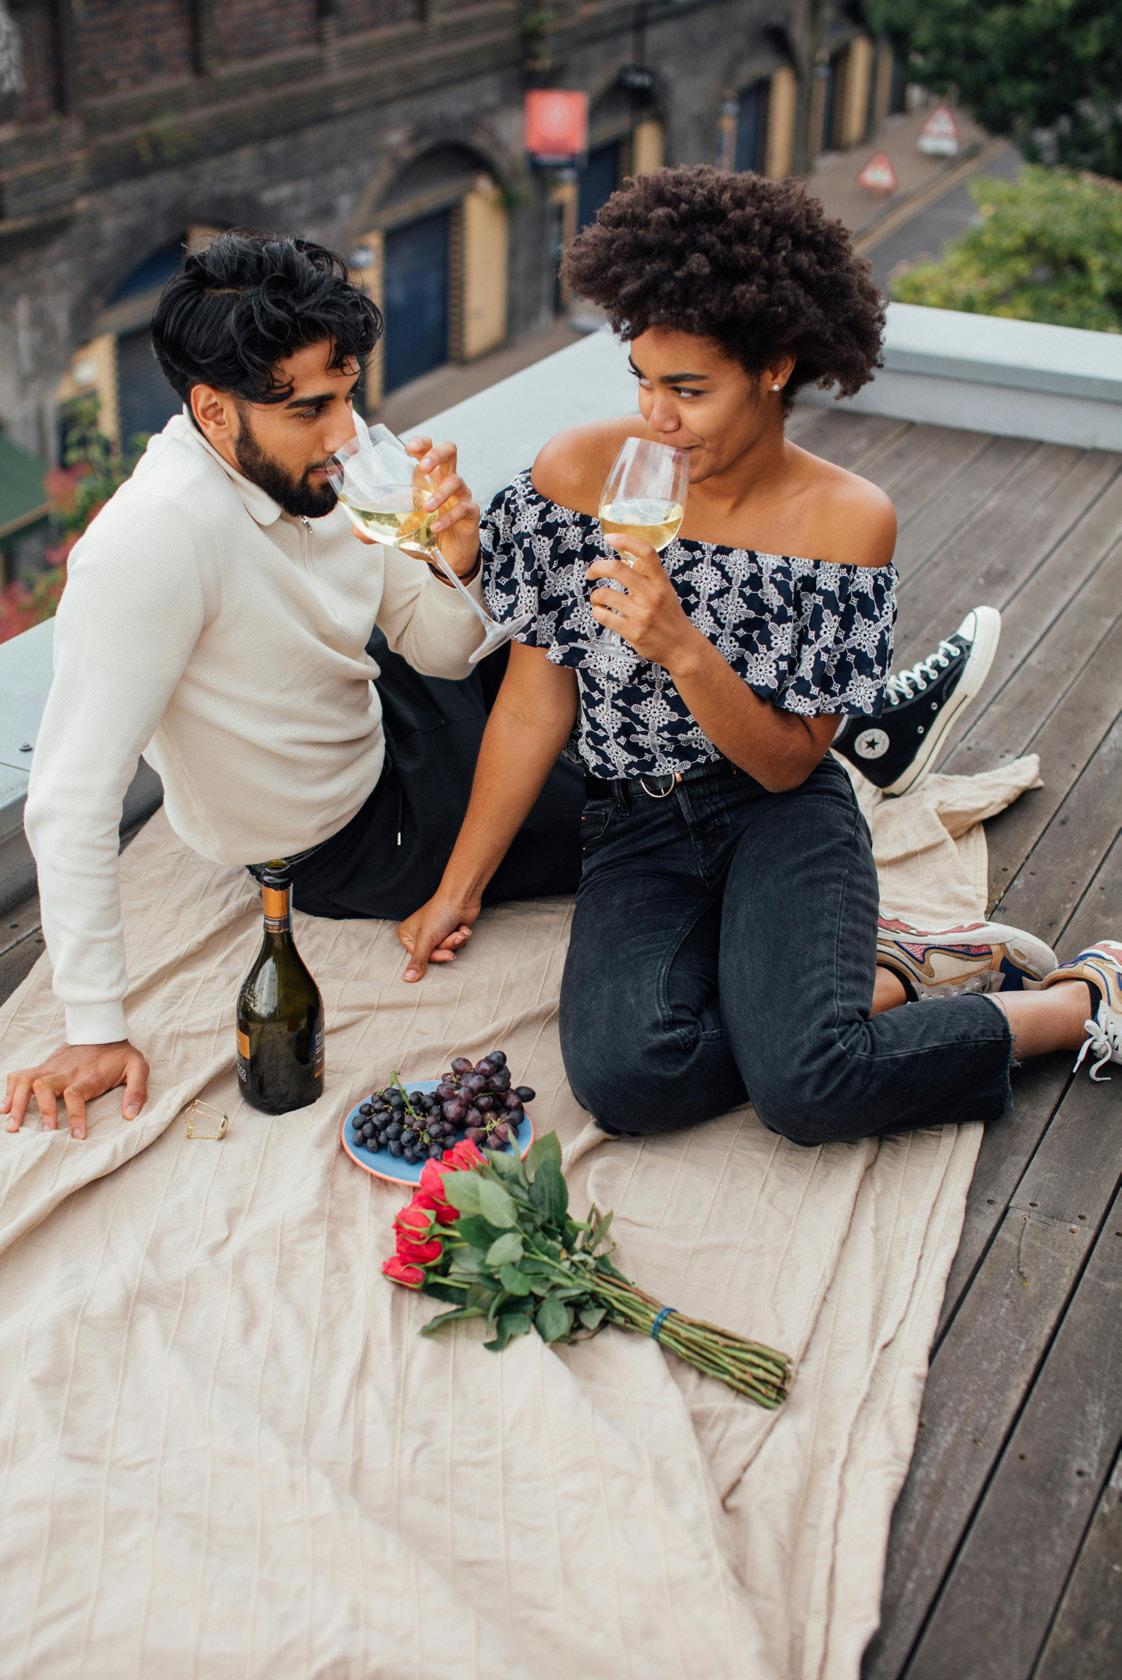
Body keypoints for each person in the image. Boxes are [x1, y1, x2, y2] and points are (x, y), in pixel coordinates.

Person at [397, 165, 1121, 1141]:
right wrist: (458, 889)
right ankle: (878, 980)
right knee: (628, 1082)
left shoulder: (847, 522)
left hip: (778, 812)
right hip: (633, 821)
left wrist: (683, 648)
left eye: (689, 390)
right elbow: (533, 702)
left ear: (774, 366)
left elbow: (787, 762)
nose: (656, 416)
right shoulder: (578, 473)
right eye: (643, 380)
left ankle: (1075, 1000)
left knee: (807, 1090)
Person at [2, 232, 584, 1140]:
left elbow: (440, 650)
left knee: (573, 630)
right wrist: (94, 1027)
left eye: (348, 396)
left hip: (384, 704)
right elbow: (70, 798)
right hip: (351, 836)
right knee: (612, 815)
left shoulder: (334, 471)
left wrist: (457, 561)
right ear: (213, 411)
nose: (346, 435)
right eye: (310, 409)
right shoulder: (152, 541)